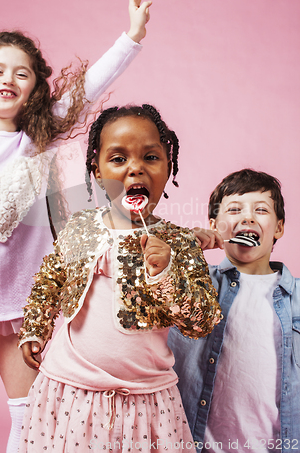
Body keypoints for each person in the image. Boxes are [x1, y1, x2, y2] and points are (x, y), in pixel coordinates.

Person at [0, 0, 152, 453]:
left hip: (17, 300)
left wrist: (130, 36)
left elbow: (90, 87)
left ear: (34, 90)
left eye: (23, 73)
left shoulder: (36, 139)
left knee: (27, 414)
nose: (8, 78)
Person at [18, 104, 222, 452]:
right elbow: (50, 281)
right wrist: (35, 328)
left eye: (150, 157)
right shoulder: (80, 227)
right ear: (97, 172)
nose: (135, 168)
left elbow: (201, 320)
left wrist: (165, 272)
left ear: (168, 167)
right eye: (118, 159)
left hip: (146, 401)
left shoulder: (180, 243)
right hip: (69, 390)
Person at [168, 169, 300, 453]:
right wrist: (184, 248)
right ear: (215, 225)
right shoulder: (195, 284)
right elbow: (150, 281)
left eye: (261, 209)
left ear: (278, 228)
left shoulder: (297, 297)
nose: (248, 217)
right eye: (235, 209)